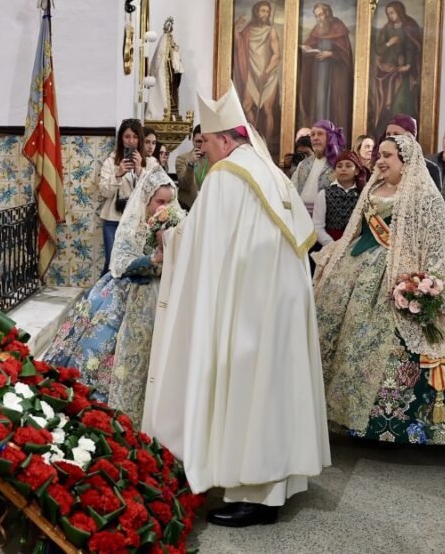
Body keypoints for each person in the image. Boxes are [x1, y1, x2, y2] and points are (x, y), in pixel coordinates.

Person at [144, 84, 330, 528]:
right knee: (273, 388)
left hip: (253, 308)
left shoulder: (228, 176)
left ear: (226, 138)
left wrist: (167, 239)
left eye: (205, 142)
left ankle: (255, 493)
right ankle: (273, 486)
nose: (202, 151)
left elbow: (200, 245)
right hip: (279, 302)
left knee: (250, 388)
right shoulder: (267, 171)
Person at [314, 135, 445, 445]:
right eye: (380, 156)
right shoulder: (373, 189)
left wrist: (426, 285)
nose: (380, 161)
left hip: (396, 274)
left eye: (388, 156)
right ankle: (332, 410)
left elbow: (436, 247)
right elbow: (355, 231)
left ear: (407, 160)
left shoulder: (425, 197)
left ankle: (380, 423)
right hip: (355, 267)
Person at [45, 168, 179, 422]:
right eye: (160, 202)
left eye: (170, 203)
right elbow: (119, 263)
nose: (165, 208)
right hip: (124, 295)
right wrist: (154, 258)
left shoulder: (174, 226)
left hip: (159, 297)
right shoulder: (132, 226)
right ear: (146, 200)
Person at [234, 0, 282, 154]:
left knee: (267, 109)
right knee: (247, 105)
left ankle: (265, 144)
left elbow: (277, 55)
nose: (265, 14)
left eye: (267, 11)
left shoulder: (271, 30)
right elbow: (239, 45)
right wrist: (235, 29)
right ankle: (254, 140)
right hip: (252, 73)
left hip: (268, 75)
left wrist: (266, 72)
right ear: (256, 12)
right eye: (262, 11)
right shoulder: (248, 30)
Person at [299, 3, 353, 138]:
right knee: (319, 100)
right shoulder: (317, 29)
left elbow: (346, 54)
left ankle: (334, 137)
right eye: (317, 16)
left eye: (321, 15)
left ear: (328, 13)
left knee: (333, 102)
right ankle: (318, 134)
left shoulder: (338, 26)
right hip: (319, 73)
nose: (319, 19)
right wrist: (307, 49)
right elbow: (310, 44)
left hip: (335, 74)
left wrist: (331, 54)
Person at [98, 119, 145, 274]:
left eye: (135, 137)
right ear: (120, 139)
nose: (131, 141)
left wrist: (139, 171)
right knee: (111, 263)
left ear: (140, 139)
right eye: (126, 136)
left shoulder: (149, 162)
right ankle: (101, 296)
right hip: (113, 220)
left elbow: (153, 191)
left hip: (137, 222)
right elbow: (104, 192)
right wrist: (117, 174)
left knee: (132, 265)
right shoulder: (110, 162)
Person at [370, 1, 423, 134]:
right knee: (386, 107)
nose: (391, 16)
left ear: (399, 11)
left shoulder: (410, 25)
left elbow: (413, 47)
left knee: (401, 103)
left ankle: (404, 135)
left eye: (392, 12)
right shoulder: (387, 28)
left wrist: (409, 65)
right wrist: (389, 43)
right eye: (388, 14)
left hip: (405, 73)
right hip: (388, 71)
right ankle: (386, 134)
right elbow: (379, 49)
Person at [312, 150, 368, 246]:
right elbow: (317, 227)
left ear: (357, 171)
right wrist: (332, 245)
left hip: (356, 246)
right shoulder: (324, 194)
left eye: (348, 165)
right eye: (339, 166)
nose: (343, 169)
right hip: (328, 245)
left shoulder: (364, 195)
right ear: (334, 171)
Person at [291, 120, 344, 217]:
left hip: (326, 220)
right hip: (300, 217)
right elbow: (292, 190)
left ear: (329, 137)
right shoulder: (303, 164)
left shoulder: (340, 164)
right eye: (312, 135)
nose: (315, 138)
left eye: (320, 134)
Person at [384, 114, 441, 190]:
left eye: (396, 134)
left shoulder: (430, 169)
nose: (391, 138)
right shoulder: (382, 164)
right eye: (388, 134)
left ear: (410, 138)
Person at [175, 125, 206, 211]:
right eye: (199, 141)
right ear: (193, 140)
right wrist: (191, 164)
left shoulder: (214, 159)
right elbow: (184, 185)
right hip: (187, 207)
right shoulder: (182, 159)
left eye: (205, 141)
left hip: (206, 207)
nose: (201, 145)